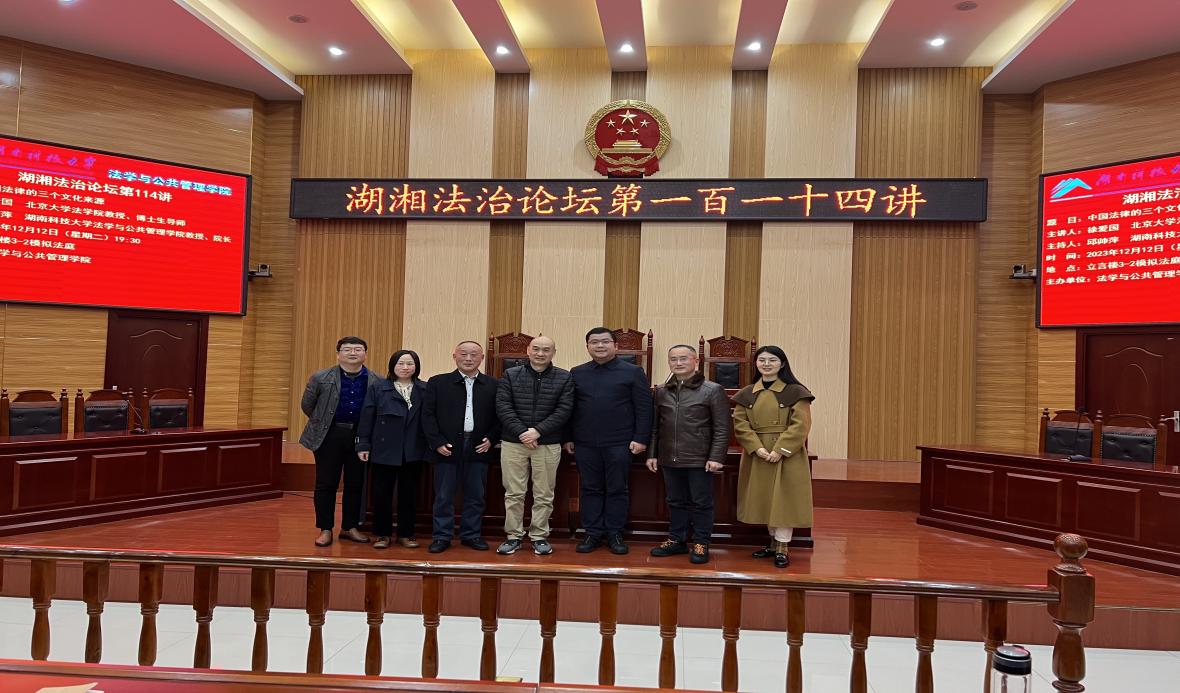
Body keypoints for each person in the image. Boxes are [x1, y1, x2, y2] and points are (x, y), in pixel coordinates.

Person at [566, 327, 653, 555]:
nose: (600, 346)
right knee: (589, 488)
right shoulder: (577, 372)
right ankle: (592, 533)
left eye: (605, 342)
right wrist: (569, 437)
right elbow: (569, 408)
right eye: (594, 342)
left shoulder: (633, 372)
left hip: (620, 442)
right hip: (585, 443)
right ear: (587, 347)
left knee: (617, 489)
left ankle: (615, 533)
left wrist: (641, 438)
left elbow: (644, 408)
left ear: (616, 346)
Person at [645, 345, 730, 564]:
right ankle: (677, 539)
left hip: (699, 458)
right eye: (673, 359)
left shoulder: (712, 390)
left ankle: (701, 542)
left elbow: (722, 428)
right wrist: (652, 454)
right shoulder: (661, 391)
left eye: (683, 358)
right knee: (675, 501)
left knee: (701, 502)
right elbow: (655, 427)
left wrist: (716, 457)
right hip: (668, 456)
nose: (678, 363)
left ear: (696, 361)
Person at [733, 345, 815, 568]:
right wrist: (756, 448)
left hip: (788, 454)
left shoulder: (796, 391)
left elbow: (800, 425)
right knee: (764, 499)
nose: (766, 364)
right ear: (756, 364)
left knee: (785, 500)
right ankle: (772, 543)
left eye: (772, 360)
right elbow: (740, 424)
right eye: (762, 360)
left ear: (782, 364)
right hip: (757, 454)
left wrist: (780, 450)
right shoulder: (747, 393)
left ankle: (782, 547)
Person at [495, 336, 575, 556]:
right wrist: (523, 433)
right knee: (514, 492)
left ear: (553, 352)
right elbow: (503, 406)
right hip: (514, 441)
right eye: (536, 349)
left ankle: (539, 536)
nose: (541, 354)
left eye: (546, 350)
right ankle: (513, 536)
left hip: (547, 442)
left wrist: (537, 431)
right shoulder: (510, 374)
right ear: (528, 350)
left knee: (544, 493)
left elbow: (564, 409)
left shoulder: (564, 377)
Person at [300, 336, 383, 547]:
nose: (352, 353)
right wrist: (325, 423)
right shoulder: (321, 377)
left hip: (360, 437)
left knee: (355, 484)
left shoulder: (377, 380)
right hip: (329, 436)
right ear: (338, 354)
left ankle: (349, 527)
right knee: (326, 483)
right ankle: (325, 529)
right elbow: (308, 405)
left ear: (365, 354)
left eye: (358, 349)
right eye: (347, 349)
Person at [422, 340, 500, 553]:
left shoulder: (494, 385)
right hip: (447, 447)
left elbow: (500, 416)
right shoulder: (438, 382)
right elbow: (427, 415)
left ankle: (471, 535)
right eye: (463, 354)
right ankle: (442, 536)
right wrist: (437, 442)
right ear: (454, 356)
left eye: (474, 354)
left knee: (476, 495)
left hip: (479, 447)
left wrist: (491, 439)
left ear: (482, 358)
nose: (468, 358)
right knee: (444, 495)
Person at [356, 350, 427, 549]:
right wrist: (363, 444)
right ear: (392, 366)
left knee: (409, 494)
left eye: (410, 364)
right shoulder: (379, 388)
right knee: (382, 494)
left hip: (413, 449)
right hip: (384, 448)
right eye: (400, 363)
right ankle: (382, 534)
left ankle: (406, 534)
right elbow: (367, 417)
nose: (405, 367)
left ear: (416, 367)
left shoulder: (425, 389)